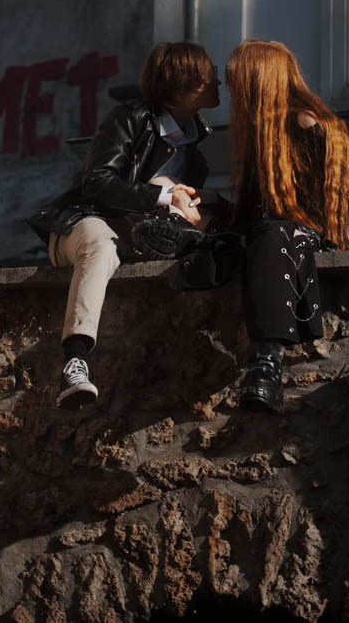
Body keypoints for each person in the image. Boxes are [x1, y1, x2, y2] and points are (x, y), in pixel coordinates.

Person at [28, 41, 220, 407]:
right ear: (187, 82)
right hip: (85, 222)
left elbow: (183, 194)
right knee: (103, 245)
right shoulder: (130, 118)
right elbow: (96, 182)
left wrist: (198, 202)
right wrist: (165, 198)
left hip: (139, 232)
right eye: (211, 73)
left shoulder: (195, 137)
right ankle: (75, 360)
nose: (219, 81)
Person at [222, 39, 349, 413]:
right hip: (268, 234)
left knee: (275, 235)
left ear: (259, 80)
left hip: (302, 238)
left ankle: (267, 364)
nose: (229, 89)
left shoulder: (305, 121)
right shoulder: (261, 136)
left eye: (235, 80)